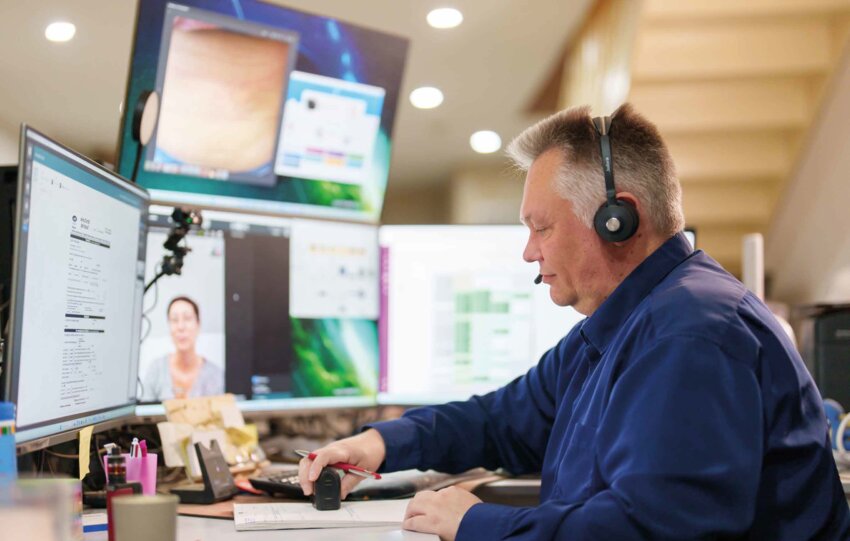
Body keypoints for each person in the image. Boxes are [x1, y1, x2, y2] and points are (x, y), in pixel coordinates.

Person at [298, 103, 850, 540]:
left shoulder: (692, 332)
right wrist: (378, 444)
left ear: (618, 220)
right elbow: (500, 420)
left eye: (541, 228)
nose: (528, 253)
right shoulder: (619, 326)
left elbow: (655, 531)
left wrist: (476, 524)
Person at [140, 296, 224, 401]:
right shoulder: (156, 370)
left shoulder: (216, 376)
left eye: (187, 318)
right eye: (174, 320)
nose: (181, 327)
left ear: (198, 324)